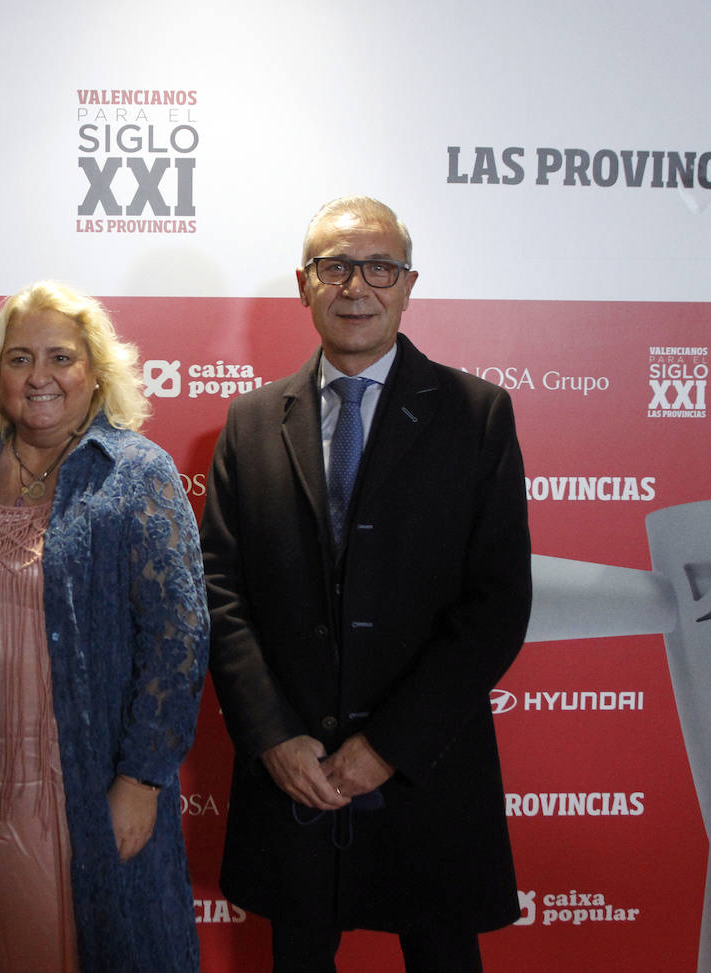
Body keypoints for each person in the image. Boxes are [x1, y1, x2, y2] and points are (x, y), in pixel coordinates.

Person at [200, 196, 532, 972]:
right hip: (295, 772)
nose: (357, 286)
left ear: (409, 283)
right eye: (335, 266)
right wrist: (273, 736)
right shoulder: (250, 422)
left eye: (379, 266)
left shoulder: (476, 414)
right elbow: (219, 589)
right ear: (303, 283)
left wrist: (387, 746)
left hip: (426, 770)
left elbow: (496, 604)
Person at [0, 281, 208, 972]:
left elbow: (181, 638)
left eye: (60, 357)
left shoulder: (137, 473)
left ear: (95, 369)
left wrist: (142, 779)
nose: (39, 376)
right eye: (19, 358)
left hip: (84, 778)